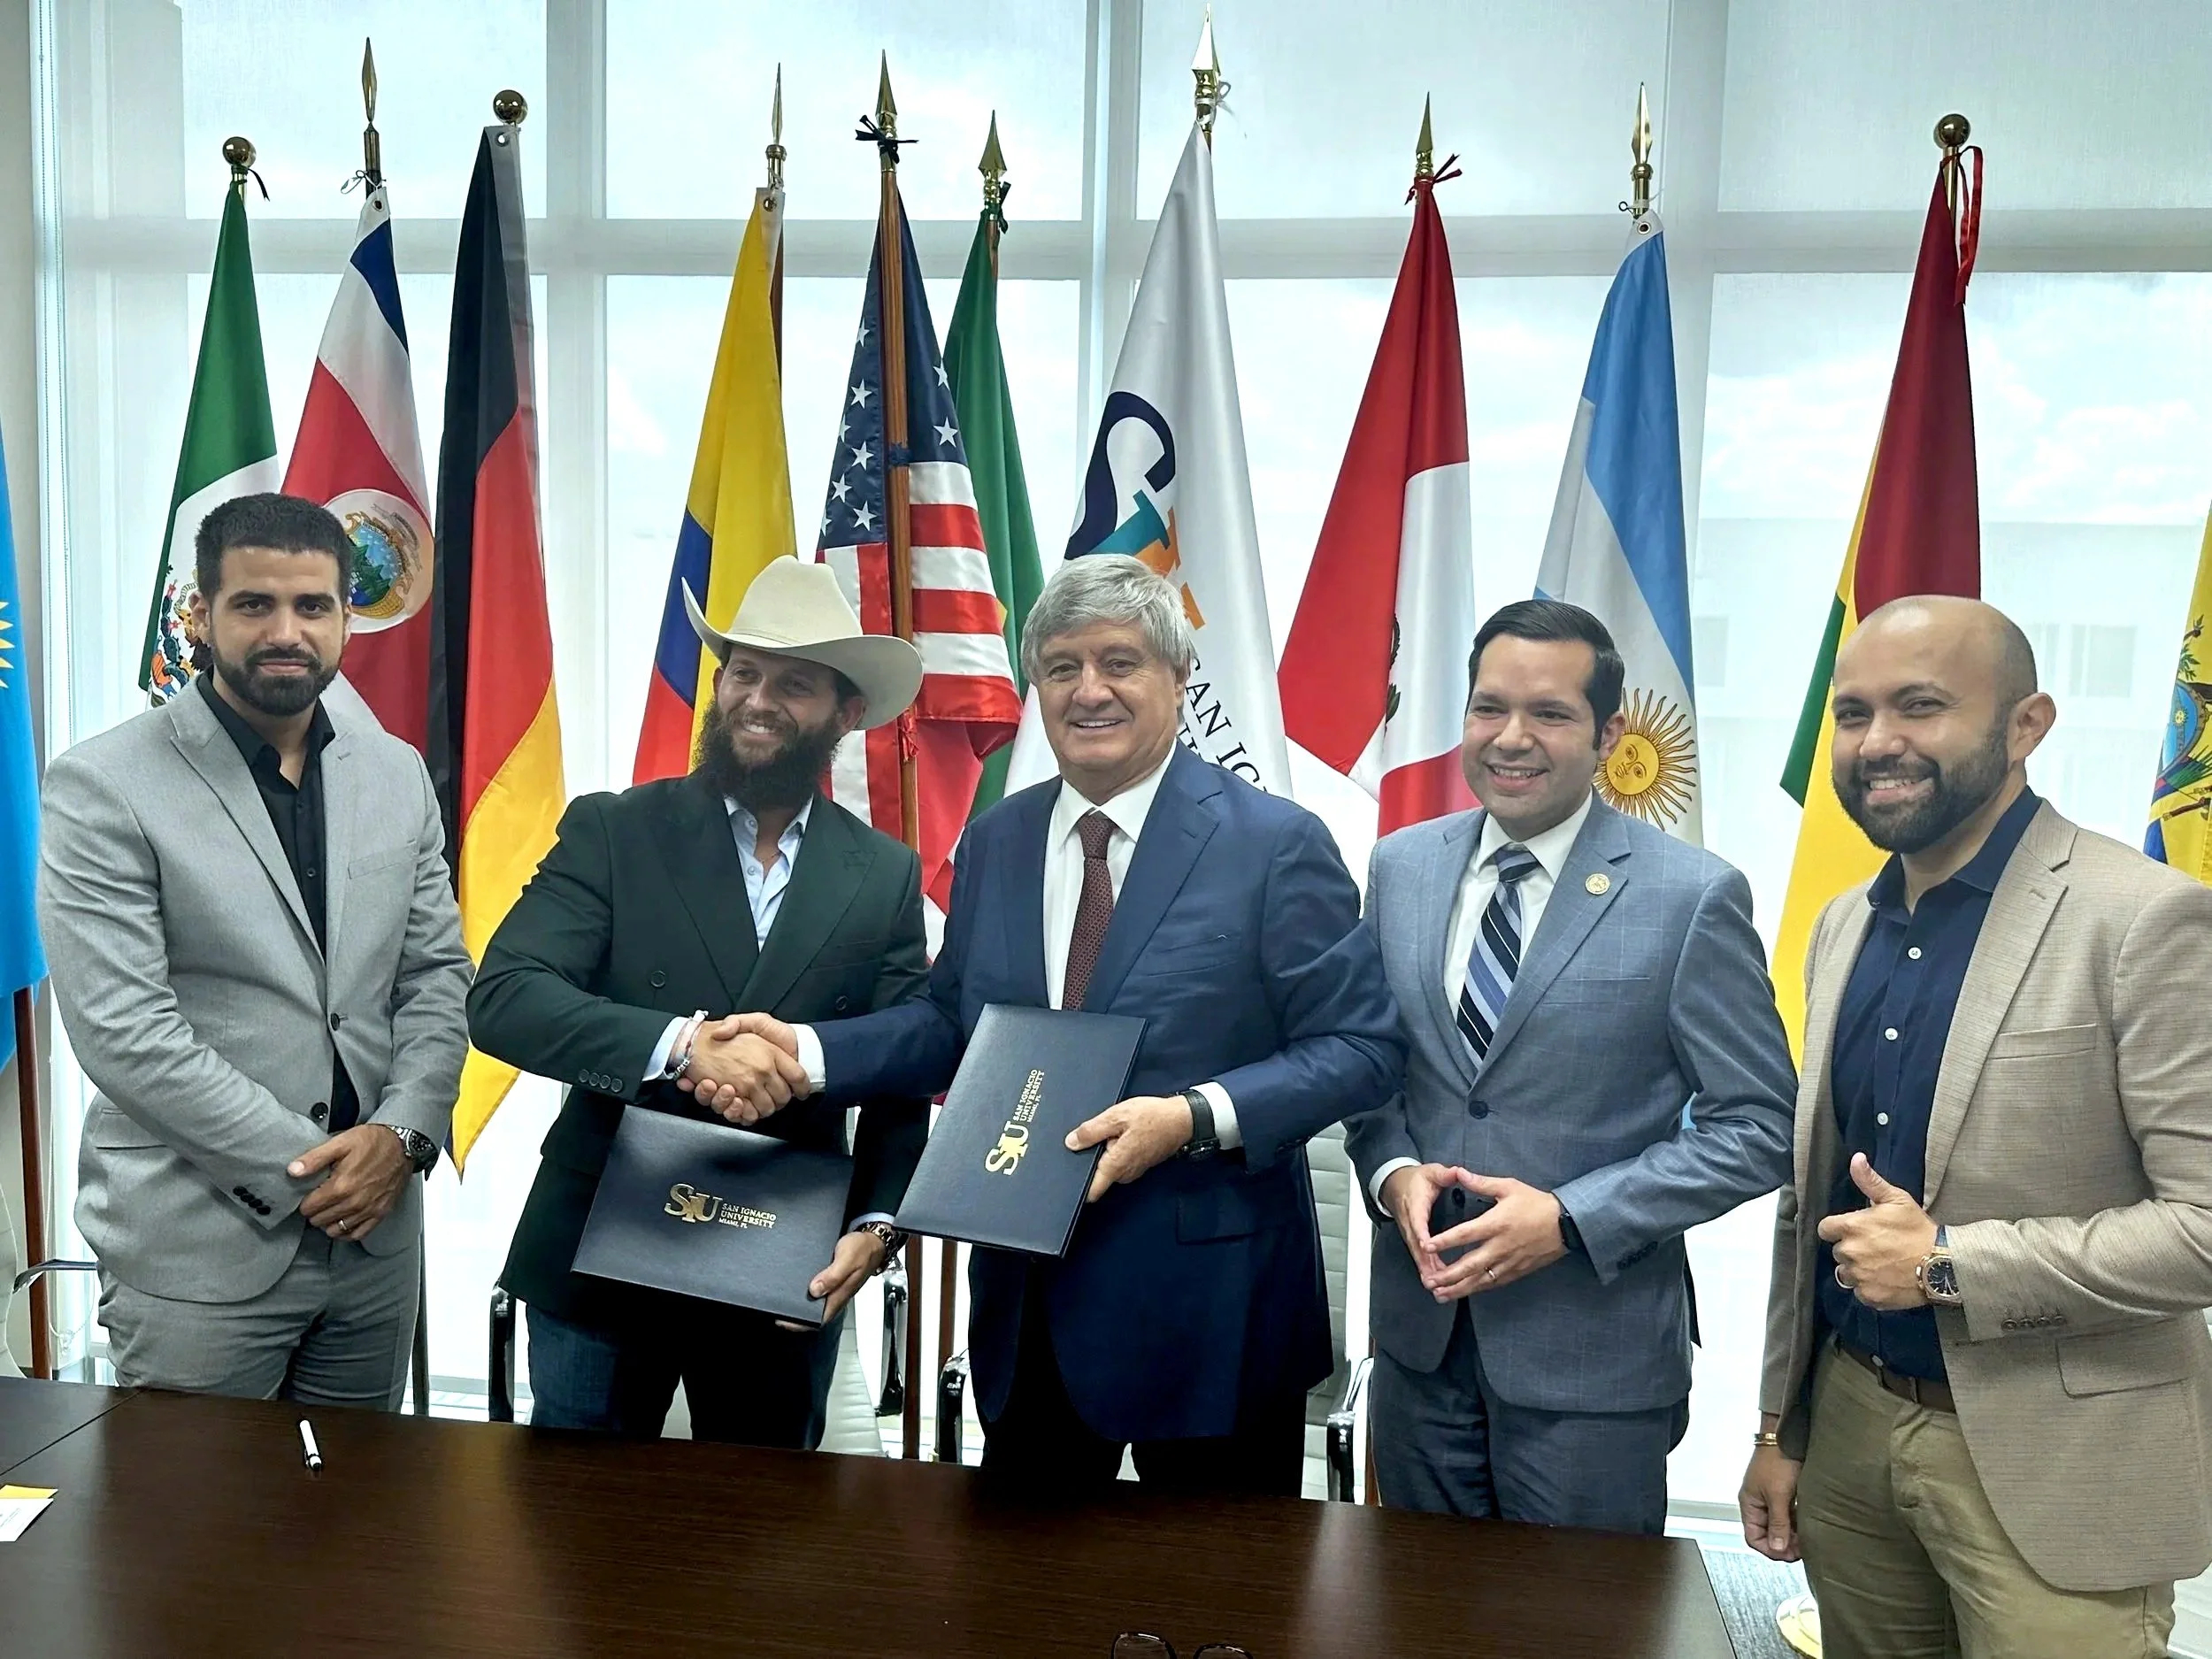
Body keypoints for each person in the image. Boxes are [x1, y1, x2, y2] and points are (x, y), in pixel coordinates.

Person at [733, 554, 1402, 1494]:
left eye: (1120, 663)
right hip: (1026, 1313)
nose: (1089, 690)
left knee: (1219, 1624)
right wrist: (802, 1052)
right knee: (1022, 1612)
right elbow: (947, 1022)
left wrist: (1194, 1116)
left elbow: (1361, 1052)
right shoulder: (1000, 839)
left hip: (1211, 1323)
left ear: (1176, 680)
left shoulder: (1274, 844)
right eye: (1061, 667)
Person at [1740, 595, 2212, 1659]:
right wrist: (1782, 1428)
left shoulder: (2142, 918)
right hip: (1852, 1432)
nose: (1878, 743)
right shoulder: (1843, 922)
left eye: (1921, 707)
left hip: (2061, 1464)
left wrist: (1949, 1264)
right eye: (1851, 714)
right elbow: (1809, 1208)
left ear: (2025, 725)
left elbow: (2204, 1226)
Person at [1348, 598, 1794, 1532]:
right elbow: (1370, 1072)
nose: (1511, 739)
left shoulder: (1690, 896)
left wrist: (1570, 1219)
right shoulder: (1399, 868)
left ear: (1607, 734)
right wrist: (1391, 1174)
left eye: (1548, 714)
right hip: (1418, 1349)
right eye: (1488, 708)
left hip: (1590, 1365)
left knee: (1576, 1631)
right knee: (1416, 1623)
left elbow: (1759, 1127)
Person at [472, 557, 931, 1446]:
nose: (758, 700)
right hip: (597, 1266)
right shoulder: (614, 828)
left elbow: (904, 1065)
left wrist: (877, 1224)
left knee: (759, 1564)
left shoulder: (883, 874)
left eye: (793, 684)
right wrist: (684, 1046)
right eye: (744, 674)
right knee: (574, 1549)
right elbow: (506, 999)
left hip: (780, 1270)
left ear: (845, 714)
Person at [39, 492, 469, 1408]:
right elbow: (126, 1034)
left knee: (355, 1527)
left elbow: (435, 977)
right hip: (200, 1249)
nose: (287, 632)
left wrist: (400, 1136)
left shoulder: (393, 772)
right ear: (198, 614)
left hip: (377, 1239)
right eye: (254, 605)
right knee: (197, 1543)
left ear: (347, 618)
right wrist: (323, 1172)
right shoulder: (103, 787)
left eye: (313, 607)